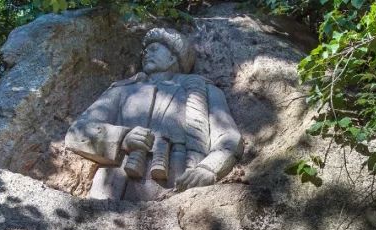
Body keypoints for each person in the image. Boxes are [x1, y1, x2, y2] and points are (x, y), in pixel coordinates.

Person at [64, 28, 243, 201]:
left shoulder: (204, 91)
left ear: (174, 57)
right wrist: (122, 138)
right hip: (116, 180)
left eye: (154, 48)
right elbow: (77, 132)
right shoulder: (122, 90)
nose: (146, 53)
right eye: (145, 50)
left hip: (179, 178)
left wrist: (208, 169)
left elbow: (229, 138)